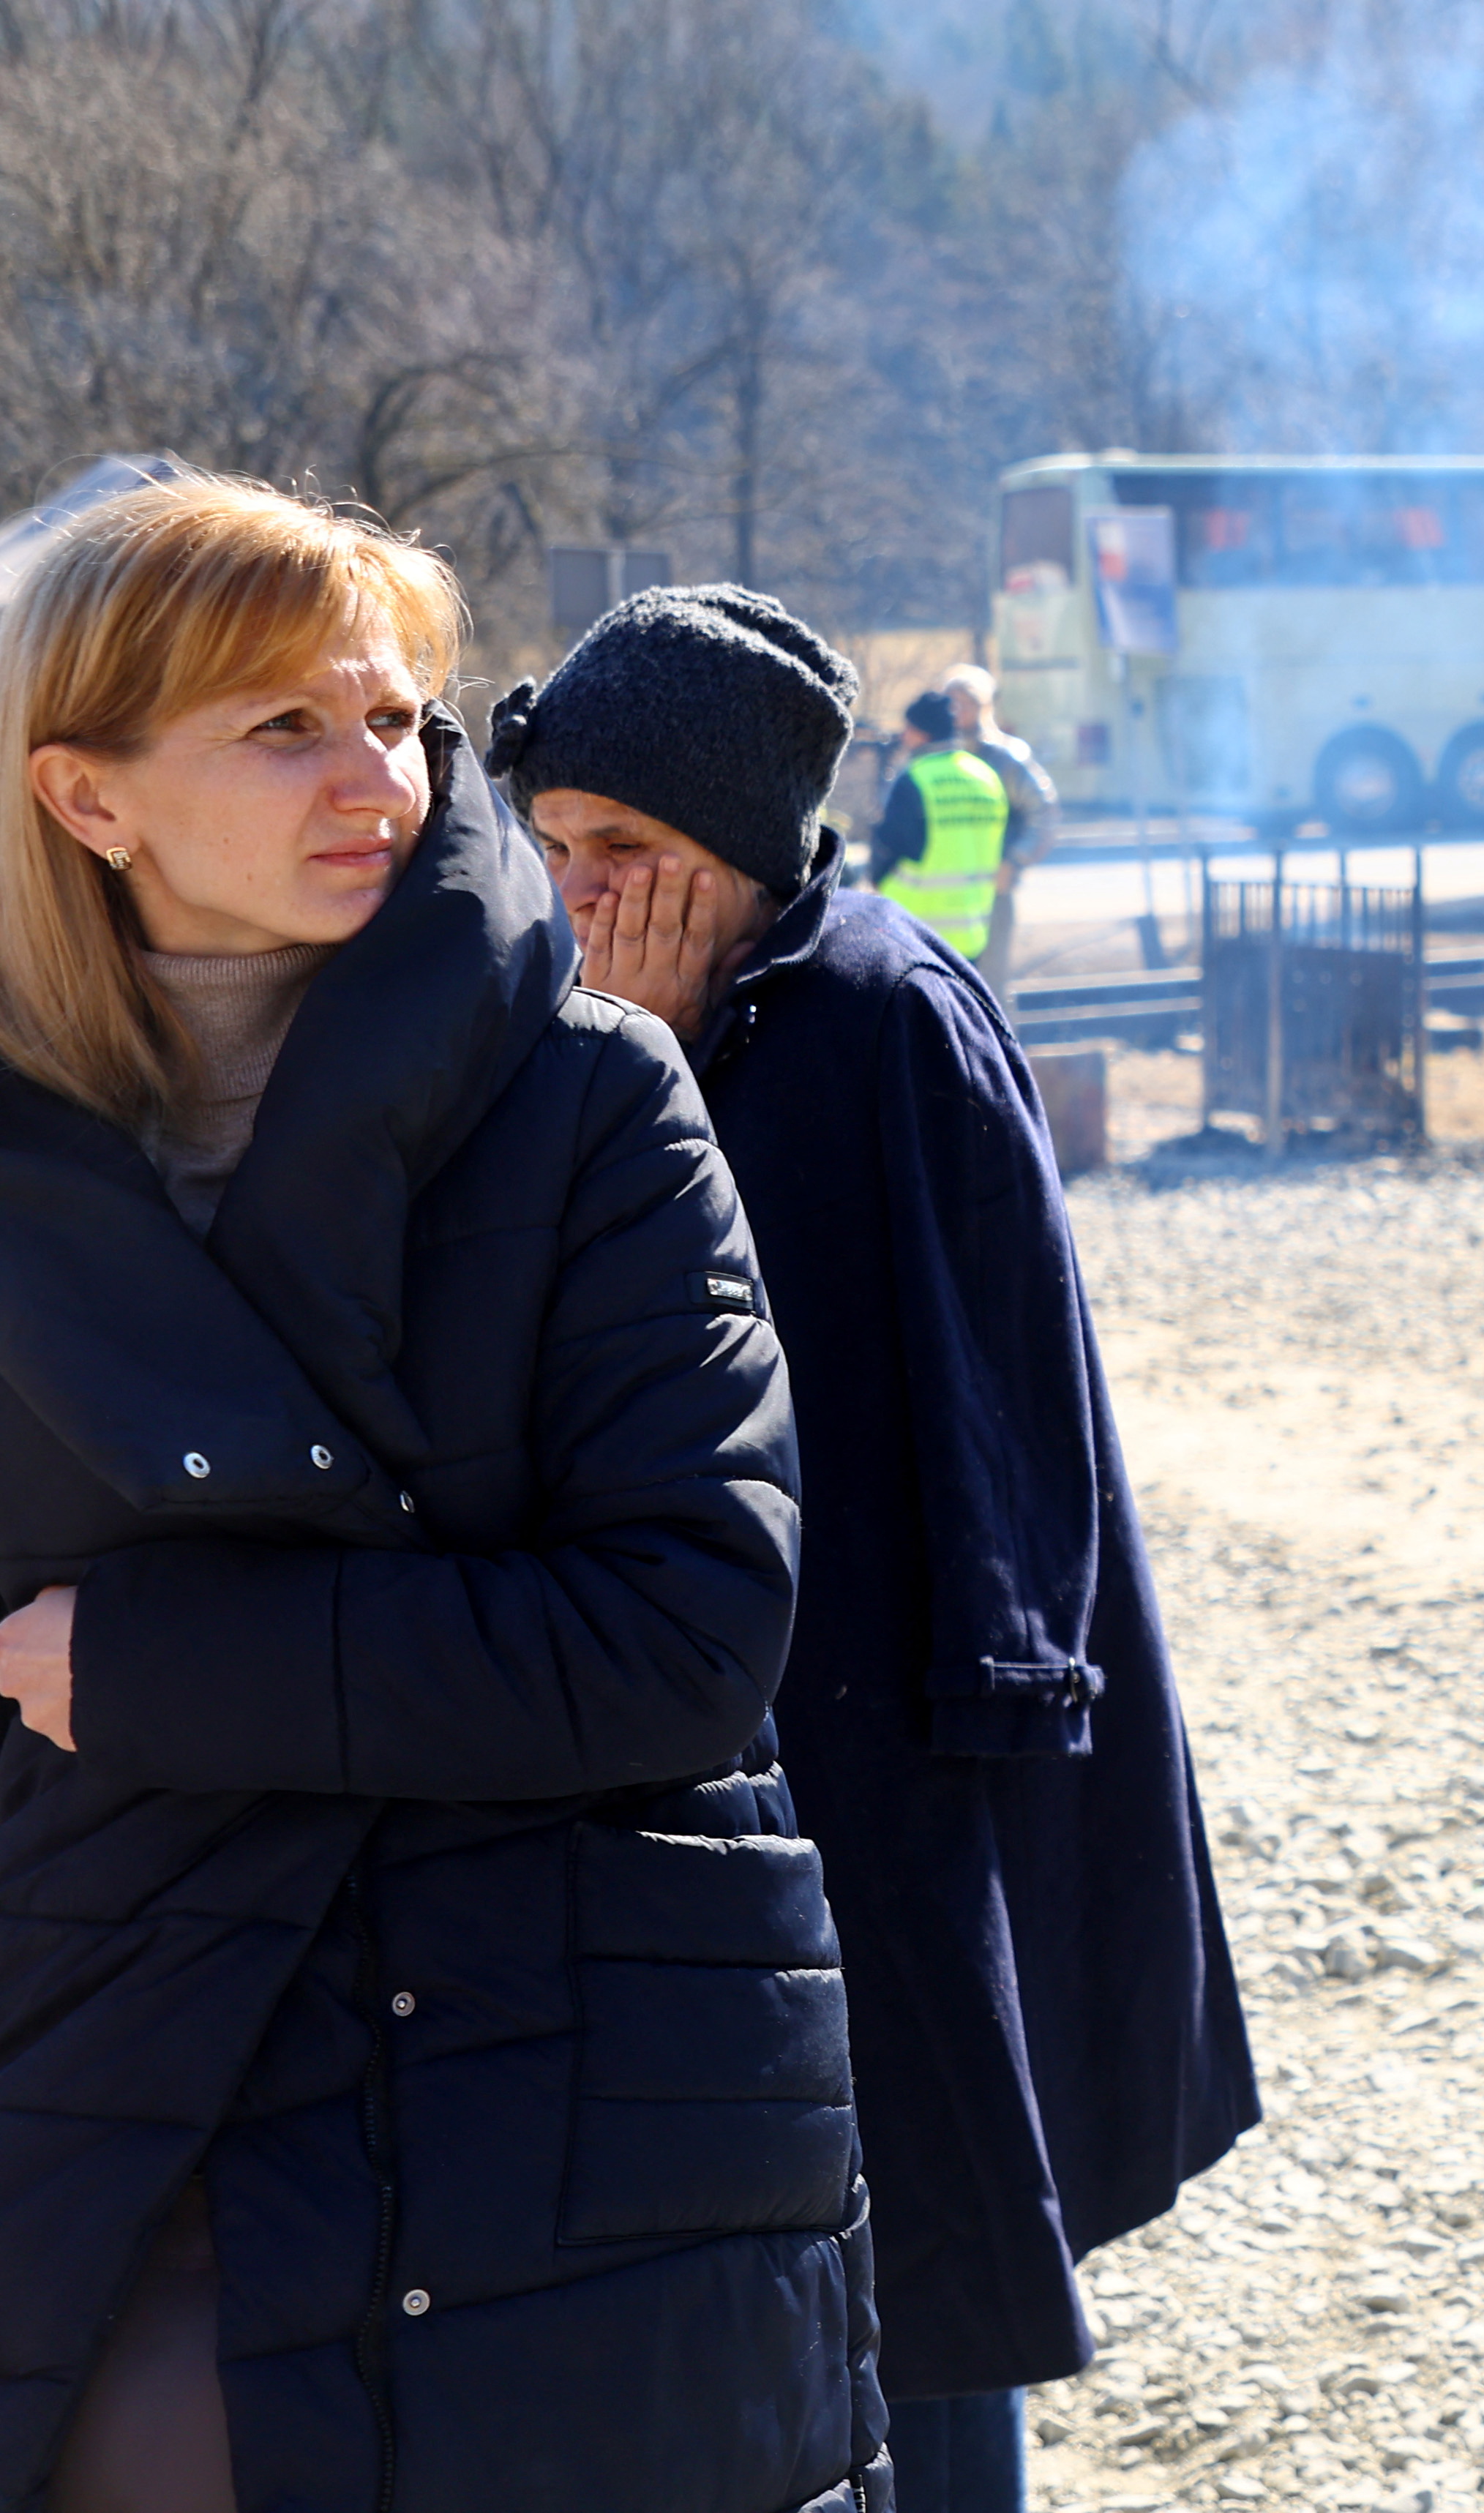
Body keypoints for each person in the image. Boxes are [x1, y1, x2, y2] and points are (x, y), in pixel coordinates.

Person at [0, 482, 882, 2507]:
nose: (373, 780)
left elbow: (684, 1631)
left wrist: (157, 1668)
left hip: (563, 2090)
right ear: (90, 795)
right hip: (103, 2065)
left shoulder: (586, 1095)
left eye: (396, 720)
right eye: (284, 729)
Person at [489, 584, 1256, 2513]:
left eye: (632, 853)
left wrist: (640, 1078)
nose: (581, 891)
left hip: (896, 1740)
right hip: (728, 1719)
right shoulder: (664, 999)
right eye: (555, 844)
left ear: (743, 856)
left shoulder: (873, 1019)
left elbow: (973, 1429)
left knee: (921, 2245)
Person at [937, 662, 1057, 1000]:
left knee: (990, 992)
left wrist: (1015, 861)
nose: (957, 710)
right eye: (951, 702)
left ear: (984, 706)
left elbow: (1044, 812)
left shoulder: (1006, 759)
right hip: (945, 895)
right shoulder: (938, 756)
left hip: (992, 892)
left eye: (965, 702)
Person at [867, 686, 1006, 965]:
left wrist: (875, 879)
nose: (904, 736)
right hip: (972, 930)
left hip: (916, 929)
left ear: (923, 733)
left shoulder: (915, 779)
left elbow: (891, 843)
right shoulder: (986, 776)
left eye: (909, 728)